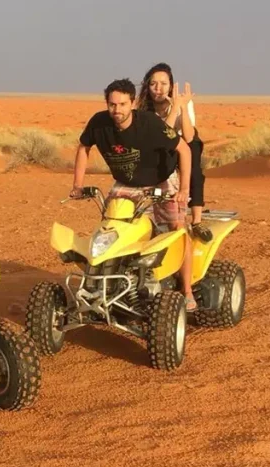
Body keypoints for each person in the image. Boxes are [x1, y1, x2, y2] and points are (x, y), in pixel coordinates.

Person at [71, 79, 197, 311]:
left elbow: (184, 149)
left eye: (122, 104)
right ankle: (106, 285)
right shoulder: (99, 123)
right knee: (111, 228)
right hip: (126, 183)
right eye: (112, 104)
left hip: (161, 180)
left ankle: (187, 291)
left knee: (178, 230)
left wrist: (184, 190)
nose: (116, 110)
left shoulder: (149, 123)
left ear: (132, 103)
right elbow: (83, 148)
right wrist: (77, 185)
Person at [137, 62, 212, 242]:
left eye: (163, 84)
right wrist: (174, 110)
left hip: (182, 143)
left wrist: (182, 107)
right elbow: (162, 137)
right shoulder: (143, 109)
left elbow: (188, 136)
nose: (158, 89)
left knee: (193, 158)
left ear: (171, 86)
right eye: (154, 83)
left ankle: (196, 220)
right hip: (160, 145)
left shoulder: (183, 102)